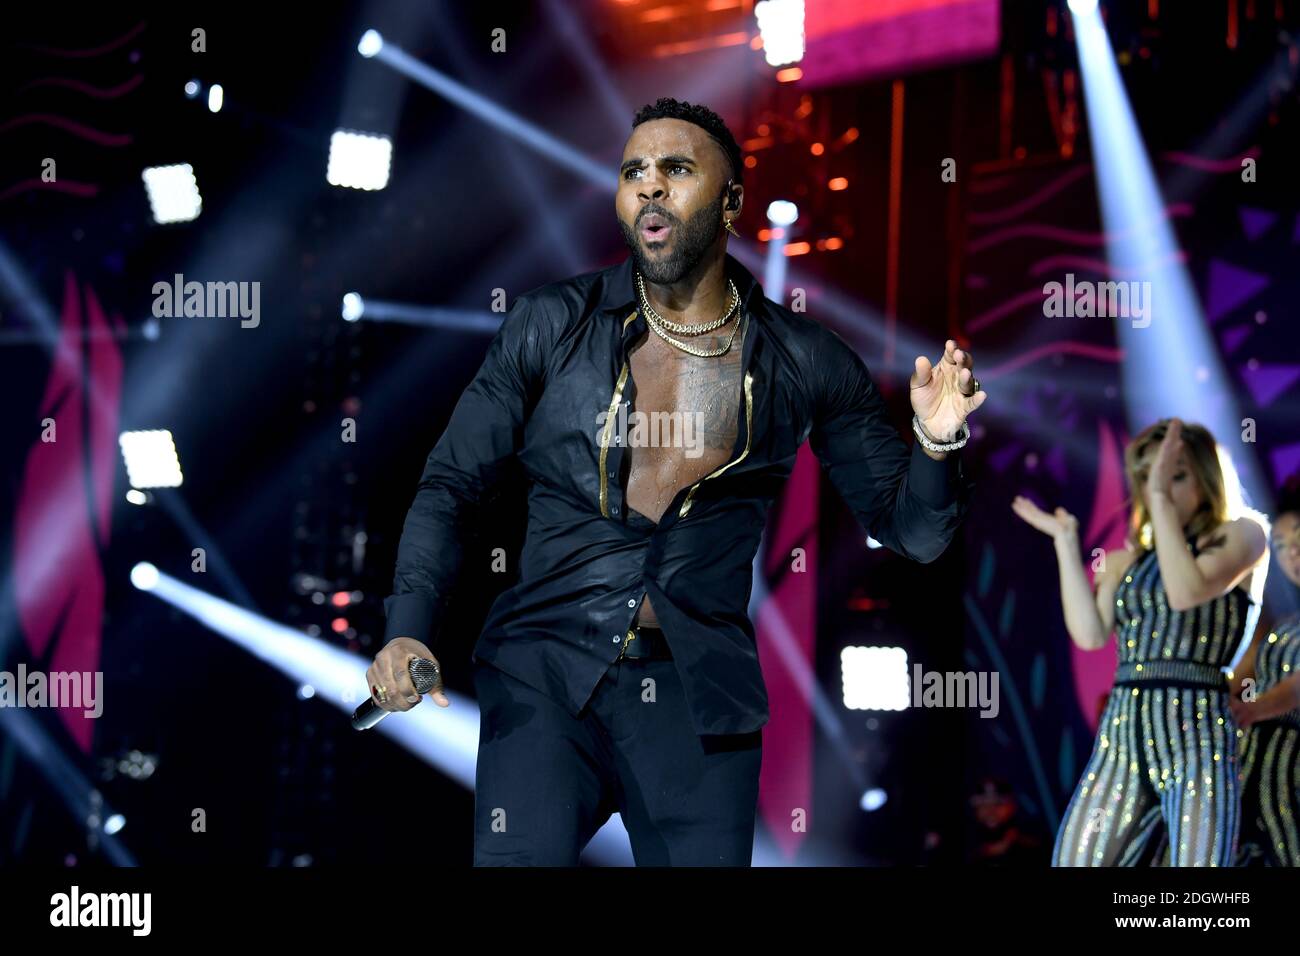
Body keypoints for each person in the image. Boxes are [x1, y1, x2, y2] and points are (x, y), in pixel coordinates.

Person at [369, 97, 982, 866]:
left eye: (676, 169)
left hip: (700, 702)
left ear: (732, 201)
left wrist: (935, 438)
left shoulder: (804, 360)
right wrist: (407, 623)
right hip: (545, 678)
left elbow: (915, 533)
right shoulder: (549, 323)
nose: (650, 187)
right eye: (634, 172)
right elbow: (452, 483)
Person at [1013, 418, 1268, 866]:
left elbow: (1186, 591)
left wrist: (1158, 503)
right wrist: (1066, 544)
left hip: (1198, 730)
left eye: (1177, 474)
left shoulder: (1242, 534)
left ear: (1207, 475)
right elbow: (1090, 635)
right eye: (1150, 476)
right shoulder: (1124, 561)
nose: (1161, 487)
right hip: (1123, 730)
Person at [1228, 475, 1300, 865]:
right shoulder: (1285, 624)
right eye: (1283, 546)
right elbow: (1239, 680)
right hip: (1254, 768)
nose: (1292, 554)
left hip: (1289, 770)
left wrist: (1256, 708)